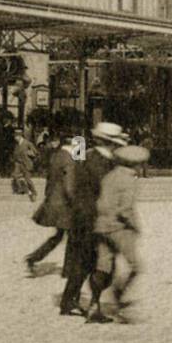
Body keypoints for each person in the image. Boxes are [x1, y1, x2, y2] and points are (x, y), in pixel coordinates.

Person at [60, 122, 125, 317]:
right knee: (98, 263)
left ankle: (70, 301)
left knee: (84, 262)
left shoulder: (88, 157)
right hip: (93, 218)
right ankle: (90, 305)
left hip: (84, 217)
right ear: (110, 143)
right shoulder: (100, 163)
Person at [86, 143, 149, 324]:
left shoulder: (110, 176)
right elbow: (126, 209)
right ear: (135, 164)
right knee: (136, 266)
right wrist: (136, 226)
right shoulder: (129, 180)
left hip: (101, 226)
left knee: (102, 266)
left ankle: (94, 305)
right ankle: (118, 296)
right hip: (118, 229)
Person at [25, 134, 77, 277]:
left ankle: (34, 257)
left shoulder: (56, 156)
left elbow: (50, 180)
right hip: (64, 204)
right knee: (72, 235)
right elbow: (69, 185)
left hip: (53, 200)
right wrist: (75, 201)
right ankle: (68, 270)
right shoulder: (69, 159)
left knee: (59, 235)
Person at [11, 128, 37, 201]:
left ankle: (34, 192)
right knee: (15, 175)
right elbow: (15, 153)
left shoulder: (27, 143)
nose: (15, 138)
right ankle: (21, 189)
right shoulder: (16, 144)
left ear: (20, 136)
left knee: (28, 179)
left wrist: (29, 153)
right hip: (18, 163)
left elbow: (35, 152)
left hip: (26, 163)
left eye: (16, 136)